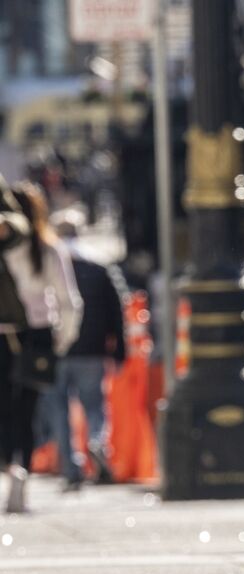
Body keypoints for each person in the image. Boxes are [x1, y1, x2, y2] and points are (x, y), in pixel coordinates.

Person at [0, 183, 82, 513]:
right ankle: (22, 475)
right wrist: (61, 341)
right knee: (28, 412)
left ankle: (9, 468)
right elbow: (69, 302)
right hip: (37, 337)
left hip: (3, 337)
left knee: (5, 409)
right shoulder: (48, 249)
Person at [51, 247, 127, 491]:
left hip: (57, 351)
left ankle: (72, 466)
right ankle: (97, 442)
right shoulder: (98, 269)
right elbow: (117, 310)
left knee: (59, 412)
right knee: (95, 406)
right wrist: (119, 351)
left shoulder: (51, 267)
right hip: (92, 351)